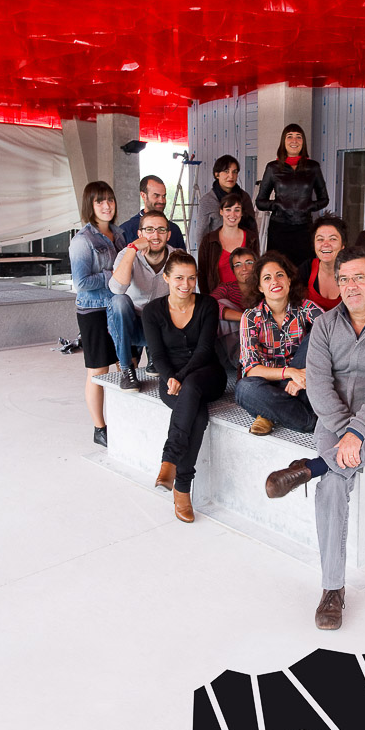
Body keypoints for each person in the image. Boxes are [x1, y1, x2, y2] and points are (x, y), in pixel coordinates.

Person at [264, 247, 365, 630]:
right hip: (333, 422)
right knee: (333, 484)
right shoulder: (325, 326)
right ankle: (332, 590)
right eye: (344, 278)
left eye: (359, 278)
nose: (349, 286)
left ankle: (309, 468)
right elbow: (316, 385)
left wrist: (358, 431)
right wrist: (345, 430)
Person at [142, 251, 227, 523]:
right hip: (170, 378)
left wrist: (181, 377)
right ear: (166, 278)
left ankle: (170, 458)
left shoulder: (208, 305)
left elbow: (203, 350)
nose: (186, 284)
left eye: (192, 278)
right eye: (179, 277)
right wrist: (170, 377)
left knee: (191, 386)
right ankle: (182, 487)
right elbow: (157, 354)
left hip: (207, 374)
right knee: (198, 416)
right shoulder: (152, 311)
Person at [234, 252, 323, 435]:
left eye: (280, 275)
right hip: (267, 385)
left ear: (289, 280)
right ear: (260, 287)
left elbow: (336, 336)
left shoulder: (306, 307)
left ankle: (268, 413)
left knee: (320, 335)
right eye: (267, 278)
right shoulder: (251, 317)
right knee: (244, 390)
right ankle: (309, 422)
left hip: (301, 383)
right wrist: (290, 372)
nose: (274, 281)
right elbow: (251, 369)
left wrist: (306, 375)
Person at [68, 181, 126, 446]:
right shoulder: (82, 241)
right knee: (97, 370)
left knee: (126, 365)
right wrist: (112, 276)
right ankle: (99, 428)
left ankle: (128, 419)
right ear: (90, 206)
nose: (106, 206)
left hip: (120, 306)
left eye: (110, 200)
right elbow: (80, 283)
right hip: (94, 310)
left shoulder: (120, 234)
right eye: (99, 201)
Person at [107, 209, 175, 390]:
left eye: (161, 230)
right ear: (140, 234)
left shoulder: (177, 257)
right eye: (149, 229)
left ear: (168, 235)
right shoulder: (126, 254)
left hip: (159, 325)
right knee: (119, 302)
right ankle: (127, 370)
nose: (155, 235)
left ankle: (156, 354)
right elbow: (116, 288)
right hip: (130, 323)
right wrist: (132, 249)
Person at [256, 124, 329, 264]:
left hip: (304, 228)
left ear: (303, 142)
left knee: (304, 269)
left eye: (298, 137)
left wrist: (309, 206)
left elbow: (324, 199)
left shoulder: (313, 167)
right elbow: (260, 202)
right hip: (279, 229)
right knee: (279, 268)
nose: (294, 140)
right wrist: (277, 204)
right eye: (289, 136)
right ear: (283, 141)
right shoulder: (272, 168)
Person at [206, 246, 258, 371]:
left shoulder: (263, 286)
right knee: (221, 304)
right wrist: (245, 318)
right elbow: (209, 305)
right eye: (238, 265)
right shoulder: (227, 288)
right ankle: (241, 359)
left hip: (260, 337)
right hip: (232, 346)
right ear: (233, 270)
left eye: (249, 263)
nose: (244, 269)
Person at [197, 192, 260, 297]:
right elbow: (202, 274)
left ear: (242, 213)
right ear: (221, 212)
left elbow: (256, 269)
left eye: (237, 210)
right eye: (228, 209)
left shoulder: (251, 238)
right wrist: (208, 302)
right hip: (219, 299)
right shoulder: (208, 240)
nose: (233, 214)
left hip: (247, 297)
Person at [195, 154, 257, 246]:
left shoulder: (244, 197)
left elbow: (253, 228)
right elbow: (201, 234)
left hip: (243, 251)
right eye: (226, 171)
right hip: (218, 251)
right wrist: (205, 256)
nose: (231, 176)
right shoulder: (208, 201)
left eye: (234, 172)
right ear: (217, 174)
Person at [119, 174, 186, 251]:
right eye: (156, 196)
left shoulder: (174, 229)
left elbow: (184, 261)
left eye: (164, 196)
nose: (161, 201)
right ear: (143, 195)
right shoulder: (126, 230)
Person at [297, 214, 347, 310]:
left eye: (333, 239)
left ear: (342, 245)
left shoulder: (352, 272)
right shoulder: (307, 269)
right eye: (320, 239)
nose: (326, 244)